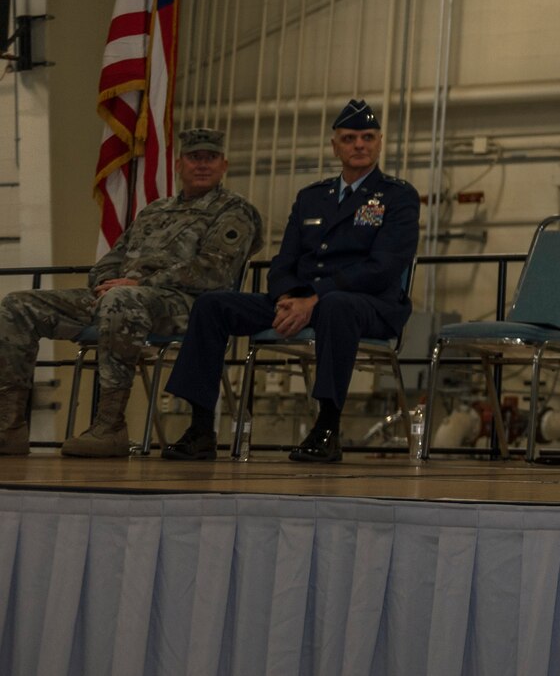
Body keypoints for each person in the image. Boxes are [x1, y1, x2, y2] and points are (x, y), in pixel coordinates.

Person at [161, 99, 419, 464]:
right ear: (335, 146)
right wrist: (287, 298)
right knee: (212, 305)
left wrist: (313, 297)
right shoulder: (311, 197)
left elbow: (384, 267)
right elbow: (284, 262)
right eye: (349, 138)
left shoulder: (398, 196)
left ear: (378, 143)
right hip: (303, 302)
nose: (358, 145)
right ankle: (201, 427)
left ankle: (326, 428)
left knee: (336, 305)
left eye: (367, 137)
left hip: (370, 305)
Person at [0, 129, 263, 458]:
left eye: (210, 158)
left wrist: (139, 285)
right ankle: (9, 426)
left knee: (122, 300)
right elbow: (111, 259)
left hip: (186, 307)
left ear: (223, 165)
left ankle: (110, 426)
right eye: (195, 158)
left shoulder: (234, 211)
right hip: (122, 298)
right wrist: (106, 282)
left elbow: (214, 270)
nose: (202, 165)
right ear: (179, 164)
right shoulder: (155, 210)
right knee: (18, 305)